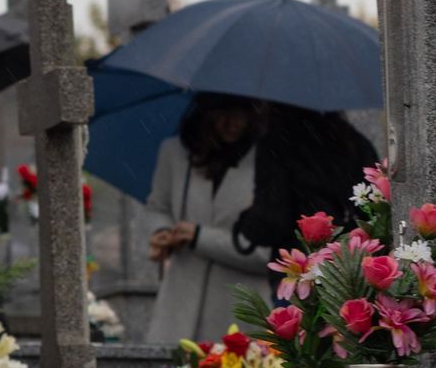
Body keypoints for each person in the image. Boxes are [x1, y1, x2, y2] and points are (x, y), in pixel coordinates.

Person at [143, 93, 272, 344]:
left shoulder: (266, 161)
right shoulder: (175, 153)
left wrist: (199, 237)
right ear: (204, 112)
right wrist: (161, 231)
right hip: (177, 312)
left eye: (241, 112)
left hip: (240, 315)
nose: (232, 122)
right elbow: (157, 206)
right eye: (222, 112)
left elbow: (265, 253)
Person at [233, 105, 378, 251]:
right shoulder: (354, 142)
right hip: (349, 260)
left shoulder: (277, 143)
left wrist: (246, 222)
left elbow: (271, 222)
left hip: (303, 261)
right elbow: (373, 210)